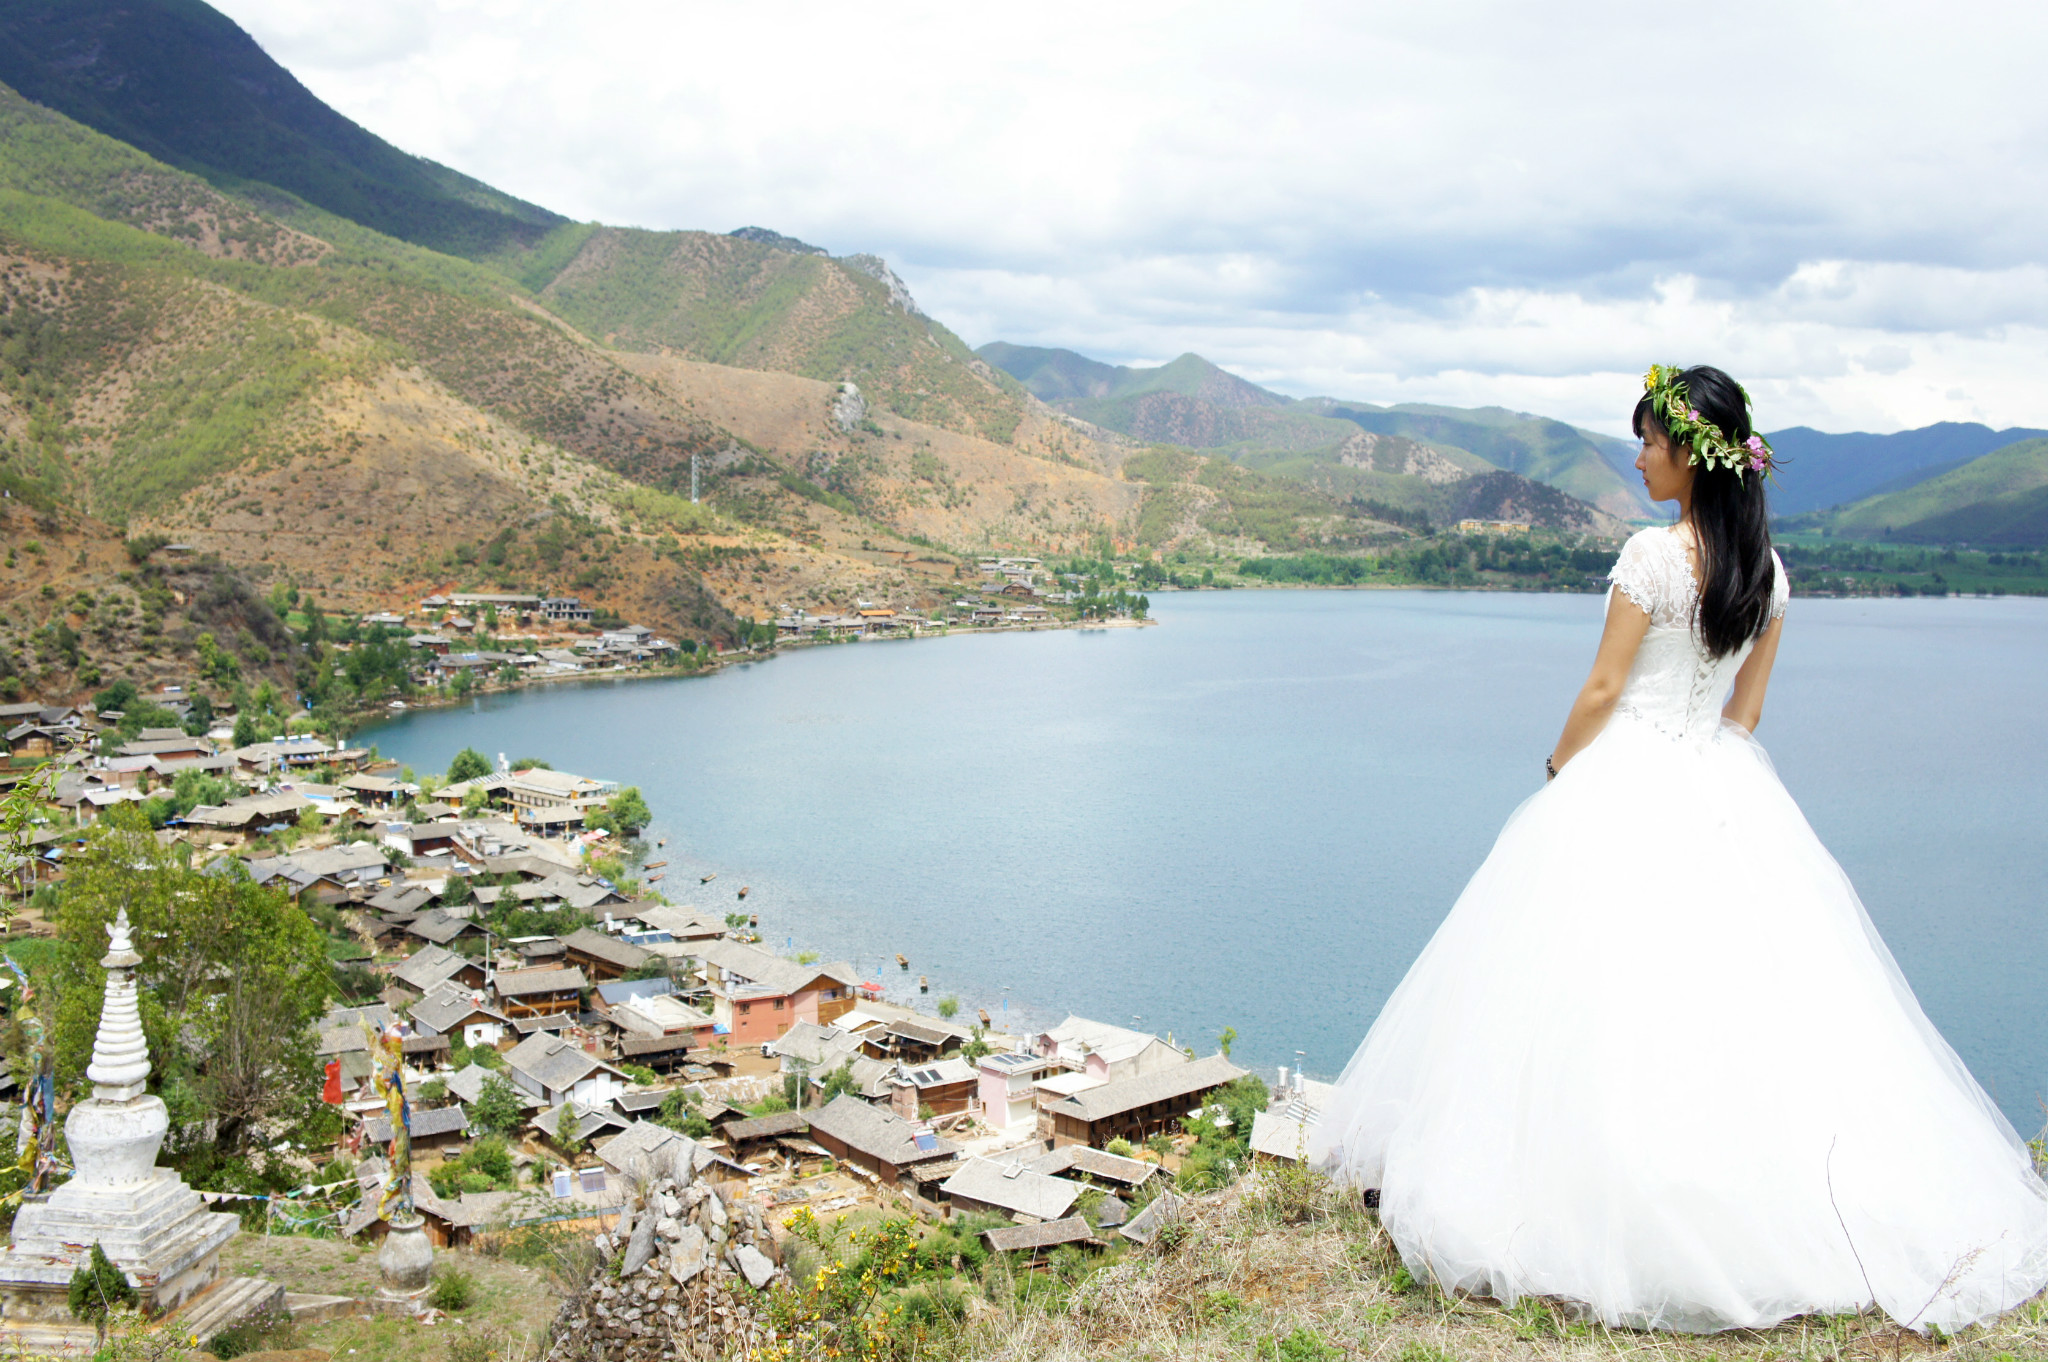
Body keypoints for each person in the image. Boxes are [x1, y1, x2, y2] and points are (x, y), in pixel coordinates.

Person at [1308, 364, 2048, 1333]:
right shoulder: (1767, 575)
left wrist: (1557, 768)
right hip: (1721, 784)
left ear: (1690, 456)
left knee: (1590, 995)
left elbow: (1602, 689)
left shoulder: (1651, 558)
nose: (1637, 455)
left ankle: (1590, 1192)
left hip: (1623, 780)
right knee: (1742, 1000)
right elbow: (1744, 713)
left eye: (1649, 441)